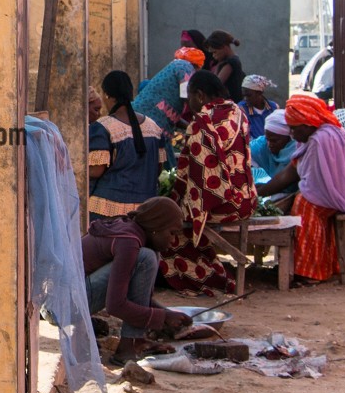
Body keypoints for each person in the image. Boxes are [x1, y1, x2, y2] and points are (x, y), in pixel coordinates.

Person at [257, 92, 345, 281]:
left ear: (307, 123)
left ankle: (310, 272)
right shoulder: (313, 137)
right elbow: (289, 174)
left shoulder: (322, 139)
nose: (292, 134)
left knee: (305, 205)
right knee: (305, 199)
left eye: (294, 129)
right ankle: (323, 264)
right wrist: (257, 193)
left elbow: (319, 188)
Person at [156, 70, 257, 294]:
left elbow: (190, 176)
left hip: (224, 204)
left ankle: (210, 278)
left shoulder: (201, 124)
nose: (187, 104)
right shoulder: (237, 112)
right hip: (246, 200)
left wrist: (173, 199)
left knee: (169, 229)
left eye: (189, 96)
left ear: (200, 96)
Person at [83, 197, 194, 364]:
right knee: (146, 257)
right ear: (156, 228)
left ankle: (137, 341)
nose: (173, 240)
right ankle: (127, 348)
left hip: (75, 297)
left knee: (150, 254)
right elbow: (115, 305)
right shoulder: (129, 241)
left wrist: (169, 315)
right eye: (171, 233)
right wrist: (162, 317)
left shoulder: (135, 235)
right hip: (63, 305)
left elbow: (139, 298)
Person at [88, 70, 172, 220]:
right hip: (145, 209)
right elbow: (158, 169)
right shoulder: (153, 127)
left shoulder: (103, 127)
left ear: (107, 95)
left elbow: (96, 171)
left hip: (107, 211)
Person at [133, 45, 205, 140]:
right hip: (150, 125)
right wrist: (203, 118)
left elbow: (170, 113)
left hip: (145, 122)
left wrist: (191, 127)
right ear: (197, 66)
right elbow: (186, 95)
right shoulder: (185, 66)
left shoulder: (176, 66)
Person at [250, 109, 297, 192]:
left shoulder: (297, 151)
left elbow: (283, 179)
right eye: (267, 139)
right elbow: (245, 151)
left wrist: (262, 190)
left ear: (289, 138)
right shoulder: (263, 144)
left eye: (274, 141)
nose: (269, 144)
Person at [206, 30, 246, 101]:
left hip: (231, 103)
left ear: (223, 47)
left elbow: (216, 83)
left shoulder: (230, 62)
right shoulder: (230, 60)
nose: (213, 55)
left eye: (215, 52)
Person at [237, 74, 278, 139]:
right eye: (244, 96)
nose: (245, 98)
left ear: (259, 93)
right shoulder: (242, 109)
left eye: (248, 95)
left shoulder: (274, 108)